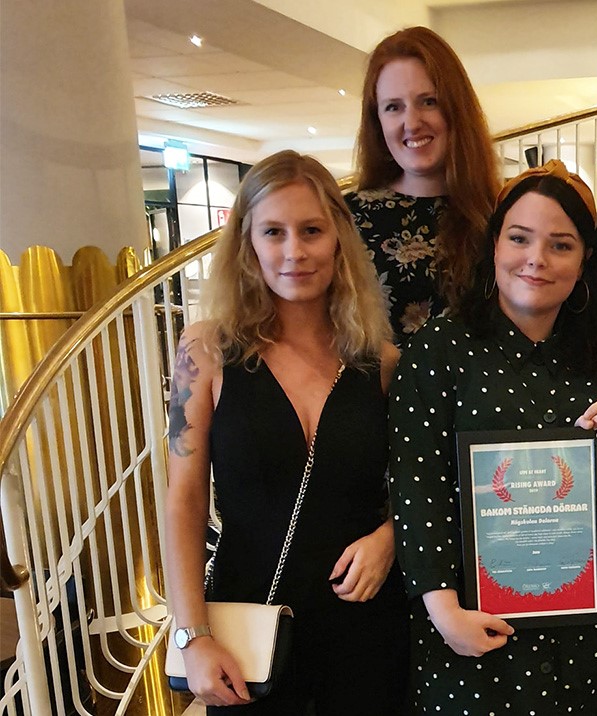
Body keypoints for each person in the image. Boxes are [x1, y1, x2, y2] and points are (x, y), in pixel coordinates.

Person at [389, 160, 597, 713]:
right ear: (494, 246)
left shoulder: (593, 357)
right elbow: (416, 486)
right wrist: (443, 611)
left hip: (578, 638)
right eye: (520, 238)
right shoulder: (442, 348)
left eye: (560, 245)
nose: (536, 259)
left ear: (584, 264)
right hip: (471, 626)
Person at [164, 150, 408, 714]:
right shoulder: (205, 352)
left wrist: (390, 537)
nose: (294, 251)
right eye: (273, 231)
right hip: (246, 626)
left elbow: (425, 484)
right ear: (247, 244)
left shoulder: (384, 363)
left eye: (312, 230)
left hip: (367, 626)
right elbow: (184, 499)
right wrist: (191, 634)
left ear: (339, 240)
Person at [349, 26, 501, 341]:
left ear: (456, 109)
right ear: (377, 121)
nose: (412, 123)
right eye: (393, 107)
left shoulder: (501, 216)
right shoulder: (345, 220)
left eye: (428, 101)